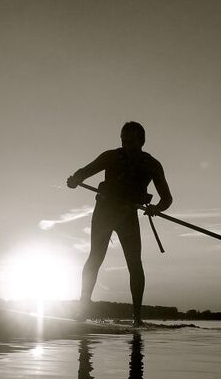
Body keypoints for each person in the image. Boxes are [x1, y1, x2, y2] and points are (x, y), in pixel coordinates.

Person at [67, 121, 172, 326]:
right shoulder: (111, 156)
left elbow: (167, 198)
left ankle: (137, 318)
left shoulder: (152, 164)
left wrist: (156, 208)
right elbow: (84, 172)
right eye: (123, 141)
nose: (126, 145)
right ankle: (82, 310)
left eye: (131, 141)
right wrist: (75, 179)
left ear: (142, 141)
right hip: (104, 213)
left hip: (128, 217)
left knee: (135, 264)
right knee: (95, 257)